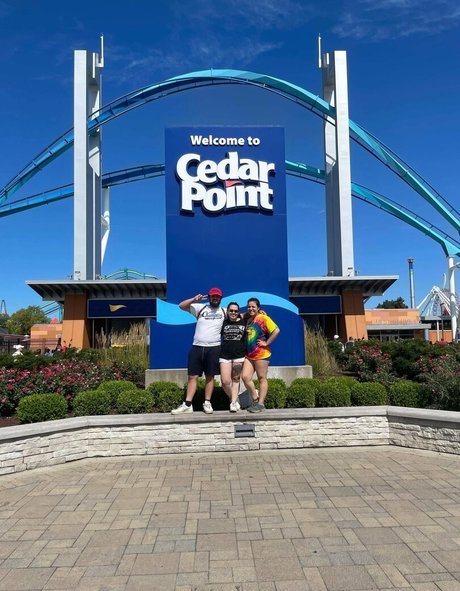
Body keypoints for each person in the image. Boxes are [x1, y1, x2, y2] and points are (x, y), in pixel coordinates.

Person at [172, 287, 226, 414]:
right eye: (213, 296)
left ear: (220, 298)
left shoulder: (224, 311)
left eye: (217, 296)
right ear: (209, 297)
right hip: (197, 347)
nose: (215, 298)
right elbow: (181, 306)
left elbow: (240, 316)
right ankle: (187, 404)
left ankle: (207, 402)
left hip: (214, 348)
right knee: (192, 376)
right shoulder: (200, 308)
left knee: (210, 377)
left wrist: (259, 313)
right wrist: (194, 299)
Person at [242, 297, 280, 413]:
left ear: (258, 307)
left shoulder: (263, 318)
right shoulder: (248, 319)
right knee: (245, 377)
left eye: (253, 307)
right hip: (249, 355)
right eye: (249, 307)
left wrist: (266, 343)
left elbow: (276, 330)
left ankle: (260, 404)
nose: (251, 308)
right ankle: (255, 398)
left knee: (262, 378)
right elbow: (239, 315)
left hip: (261, 354)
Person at [220, 302, 247, 412]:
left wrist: (260, 312)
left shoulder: (244, 321)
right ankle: (234, 400)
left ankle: (233, 403)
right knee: (225, 381)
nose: (233, 312)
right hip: (224, 355)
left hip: (239, 355)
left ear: (239, 312)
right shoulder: (223, 322)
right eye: (231, 310)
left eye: (236, 311)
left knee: (236, 379)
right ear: (227, 311)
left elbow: (253, 314)